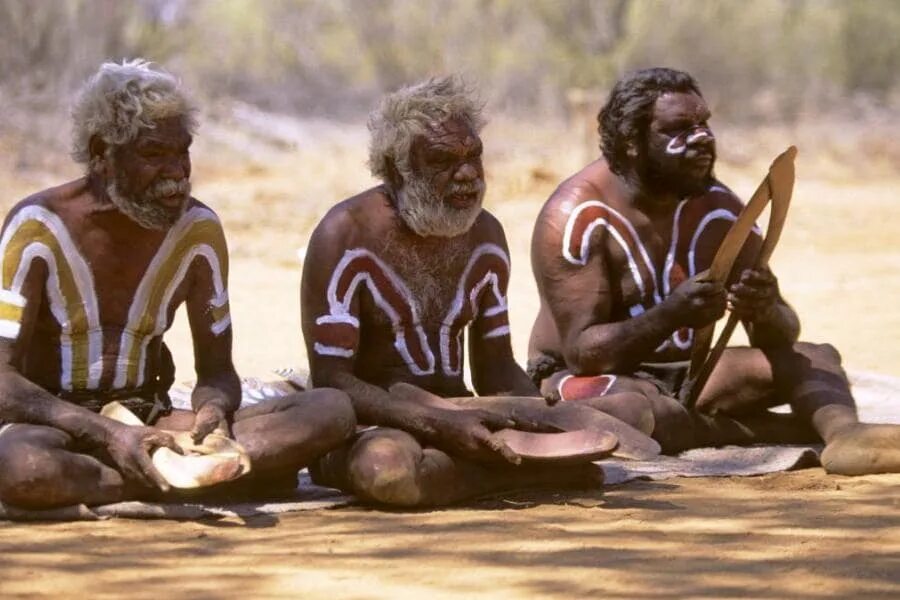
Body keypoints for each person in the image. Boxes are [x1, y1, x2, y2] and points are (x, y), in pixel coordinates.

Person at [0, 60, 355, 509]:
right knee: (23, 466)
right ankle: (195, 476)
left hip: (156, 419)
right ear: (101, 154)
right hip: (59, 424)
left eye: (182, 152)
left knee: (329, 410)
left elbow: (218, 372)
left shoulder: (198, 231)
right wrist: (108, 433)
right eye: (154, 155)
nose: (177, 173)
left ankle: (141, 477)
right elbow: (3, 381)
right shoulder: (37, 229)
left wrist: (214, 412)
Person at [301, 76, 657, 507]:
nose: (467, 174)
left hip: (467, 410)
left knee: (632, 415)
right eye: (443, 160)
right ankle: (528, 475)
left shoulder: (485, 236)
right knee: (388, 473)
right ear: (399, 169)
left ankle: (494, 469)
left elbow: (494, 368)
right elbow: (333, 382)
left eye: (474, 156)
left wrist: (540, 414)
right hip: (377, 422)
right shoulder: (344, 235)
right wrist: (435, 424)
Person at [528, 67, 900, 474]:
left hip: (692, 372)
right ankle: (783, 428)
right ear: (632, 142)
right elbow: (584, 354)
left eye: (704, 123)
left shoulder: (719, 209)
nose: (703, 137)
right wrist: (671, 314)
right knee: (638, 413)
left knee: (813, 358)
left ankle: (847, 436)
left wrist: (763, 306)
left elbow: (780, 334)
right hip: (591, 382)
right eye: (680, 129)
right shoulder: (579, 215)